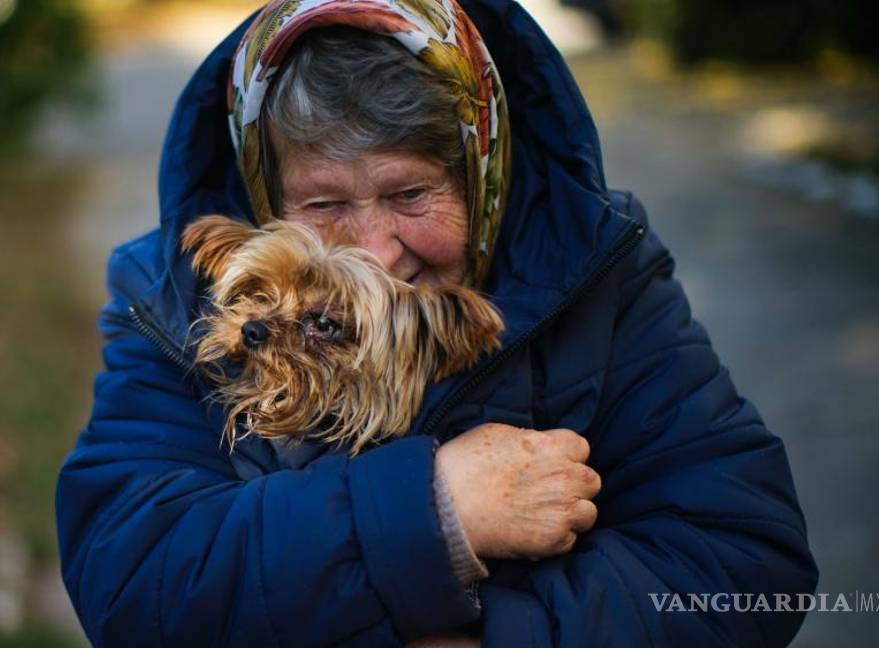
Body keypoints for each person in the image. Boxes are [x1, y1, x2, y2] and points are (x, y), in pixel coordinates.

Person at [55, 0, 819, 646]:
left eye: (411, 194)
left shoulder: (600, 272)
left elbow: (746, 567)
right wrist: (436, 508)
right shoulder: (173, 296)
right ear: (266, 191)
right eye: (323, 205)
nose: (377, 254)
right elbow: (132, 584)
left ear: (483, 173)